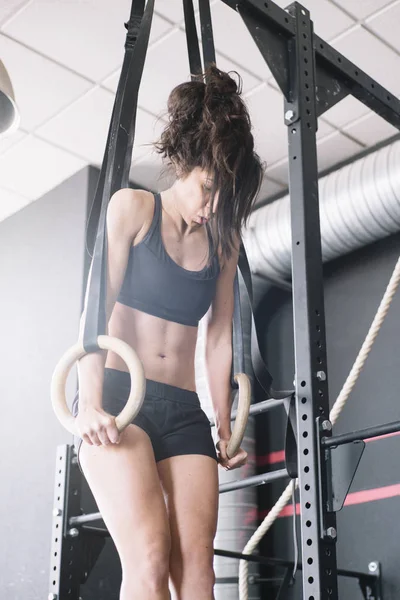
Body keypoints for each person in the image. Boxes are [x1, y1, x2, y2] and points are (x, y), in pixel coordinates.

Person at [72, 66, 263, 600]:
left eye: (224, 197)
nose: (212, 207)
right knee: (151, 559)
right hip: (117, 398)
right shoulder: (133, 209)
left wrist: (224, 425)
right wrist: (88, 404)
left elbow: (219, 335)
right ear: (188, 163)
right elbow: (93, 311)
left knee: (198, 575)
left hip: (183, 410)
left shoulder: (223, 243)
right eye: (208, 189)